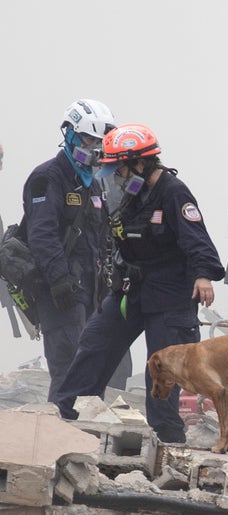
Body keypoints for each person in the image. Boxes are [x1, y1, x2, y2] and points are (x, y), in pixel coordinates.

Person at [55, 124, 225, 443]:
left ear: (139, 163)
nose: (115, 174)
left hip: (171, 295)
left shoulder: (174, 192)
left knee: (160, 369)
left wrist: (203, 276)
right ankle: (70, 414)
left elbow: (198, 240)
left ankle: (167, 438)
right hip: (131, 290)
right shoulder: (128, 195)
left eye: (119, 166)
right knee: (95, 342)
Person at [22, 99, 118, 401]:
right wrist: (59, 278)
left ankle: (88, 434)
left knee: (91, 365)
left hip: (92, 289)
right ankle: (62, 437)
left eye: (101, 142)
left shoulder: (94, 184)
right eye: (90, 139)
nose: (95, 147)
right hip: (59, 289)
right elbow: (42, 234)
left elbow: (102, 236)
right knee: (68, 367)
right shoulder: (47, 177)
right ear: (71, 134)